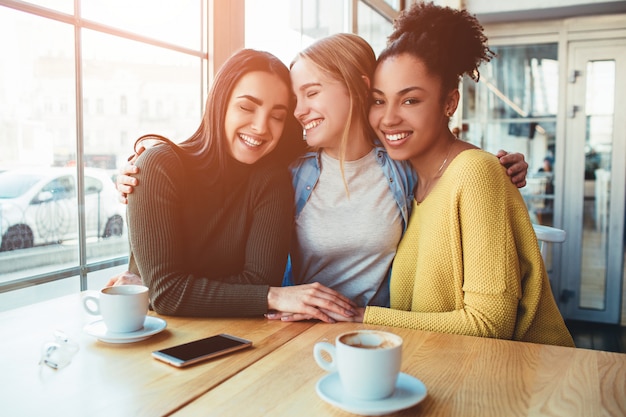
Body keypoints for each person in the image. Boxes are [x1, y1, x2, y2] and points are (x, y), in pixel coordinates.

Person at [114, 34, 529, 316]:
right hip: (295, 328)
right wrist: (142, 179)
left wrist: (494, 166)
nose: (290, 115)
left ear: (356, 86)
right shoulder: (289, 169)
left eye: (308, 94)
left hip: (378, 329)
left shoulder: (398, 165)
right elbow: (216, 180)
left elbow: (444, 162)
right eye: (292, 101)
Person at [344, 2, 574, 347]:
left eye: (410, 101)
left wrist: (361, 316)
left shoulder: (476, 173)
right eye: (379, 101)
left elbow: (490, 324)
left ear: (449, 103)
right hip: (446, 367)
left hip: (529, 382)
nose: (388, 118)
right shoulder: (403, 178)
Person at [108, 48, 357, 322]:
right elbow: (168, 294)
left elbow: (257, 281)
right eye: (246, 107)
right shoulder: (158, 166)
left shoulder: (271, 180)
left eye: (276, 116)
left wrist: (173, 289)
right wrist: (272, 296)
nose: (261, 127)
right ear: (219, 102)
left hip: (241, 338)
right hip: (155, 339)